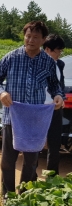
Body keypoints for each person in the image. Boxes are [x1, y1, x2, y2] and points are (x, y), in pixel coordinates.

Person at [0, 21, 63, 198]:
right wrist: (1, 93)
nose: (30, 40)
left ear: (43, 40)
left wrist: (58, 95)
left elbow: (54, 85)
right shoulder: (11, 57)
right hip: (11, 117)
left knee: (31, 162)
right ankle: (7, 197)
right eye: (28, 36)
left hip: (35, 120)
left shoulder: (47, 62)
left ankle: (24, 196)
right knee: (8, 161)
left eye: (35, 37)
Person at [43, 34, 66, 175]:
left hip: (55, 109)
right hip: (39, 109)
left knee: (55, 144)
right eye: (58, 51)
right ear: (47, 49)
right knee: (34, 144)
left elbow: (60, 85)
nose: (59, 54)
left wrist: (61, 98)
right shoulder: (36, 63)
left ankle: (52, 178)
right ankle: (30, 179)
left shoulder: (60, 64)